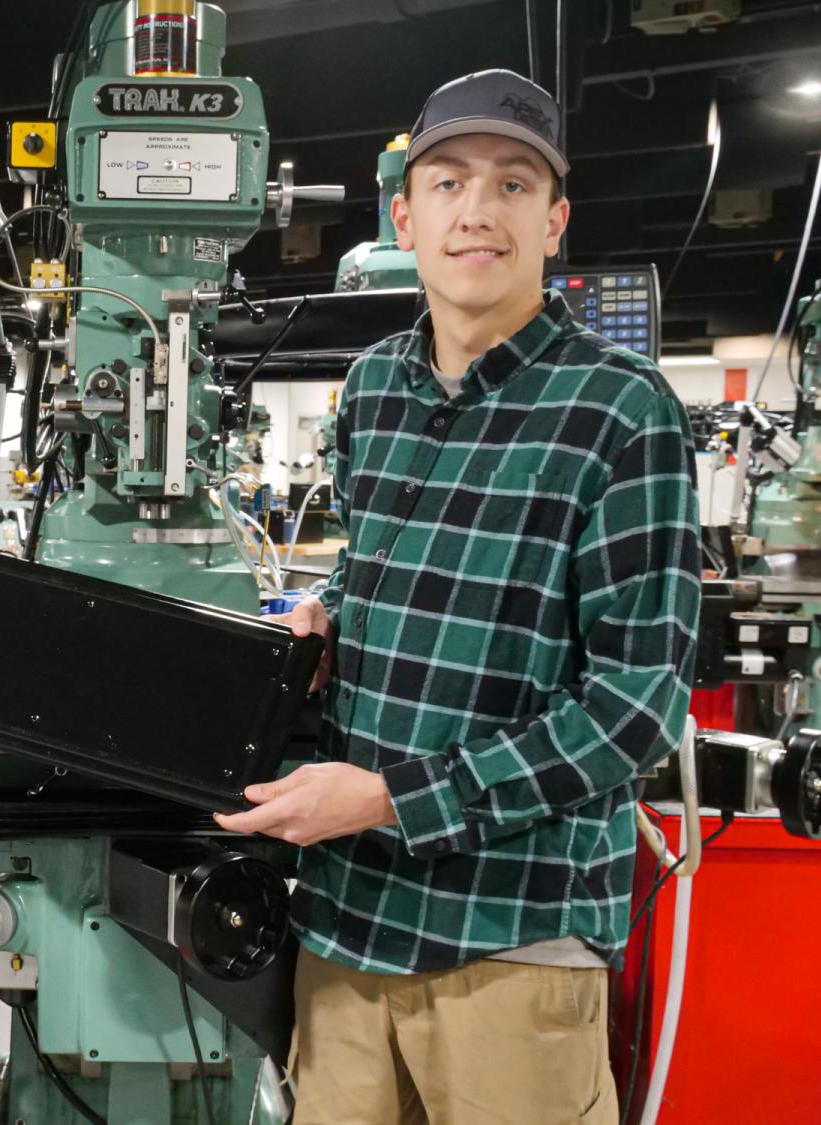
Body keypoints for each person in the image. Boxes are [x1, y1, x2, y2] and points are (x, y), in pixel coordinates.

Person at [217, 70, 700, 1123]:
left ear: (555, 219)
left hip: (511, 948)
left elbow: (635, 708)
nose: (477, 210)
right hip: (344, 934)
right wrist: (327, 623)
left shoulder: (621, 410)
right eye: (447, 182)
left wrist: (392, 800)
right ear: (406, 212)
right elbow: (368, 572)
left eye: (514, 184)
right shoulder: (377, 388)